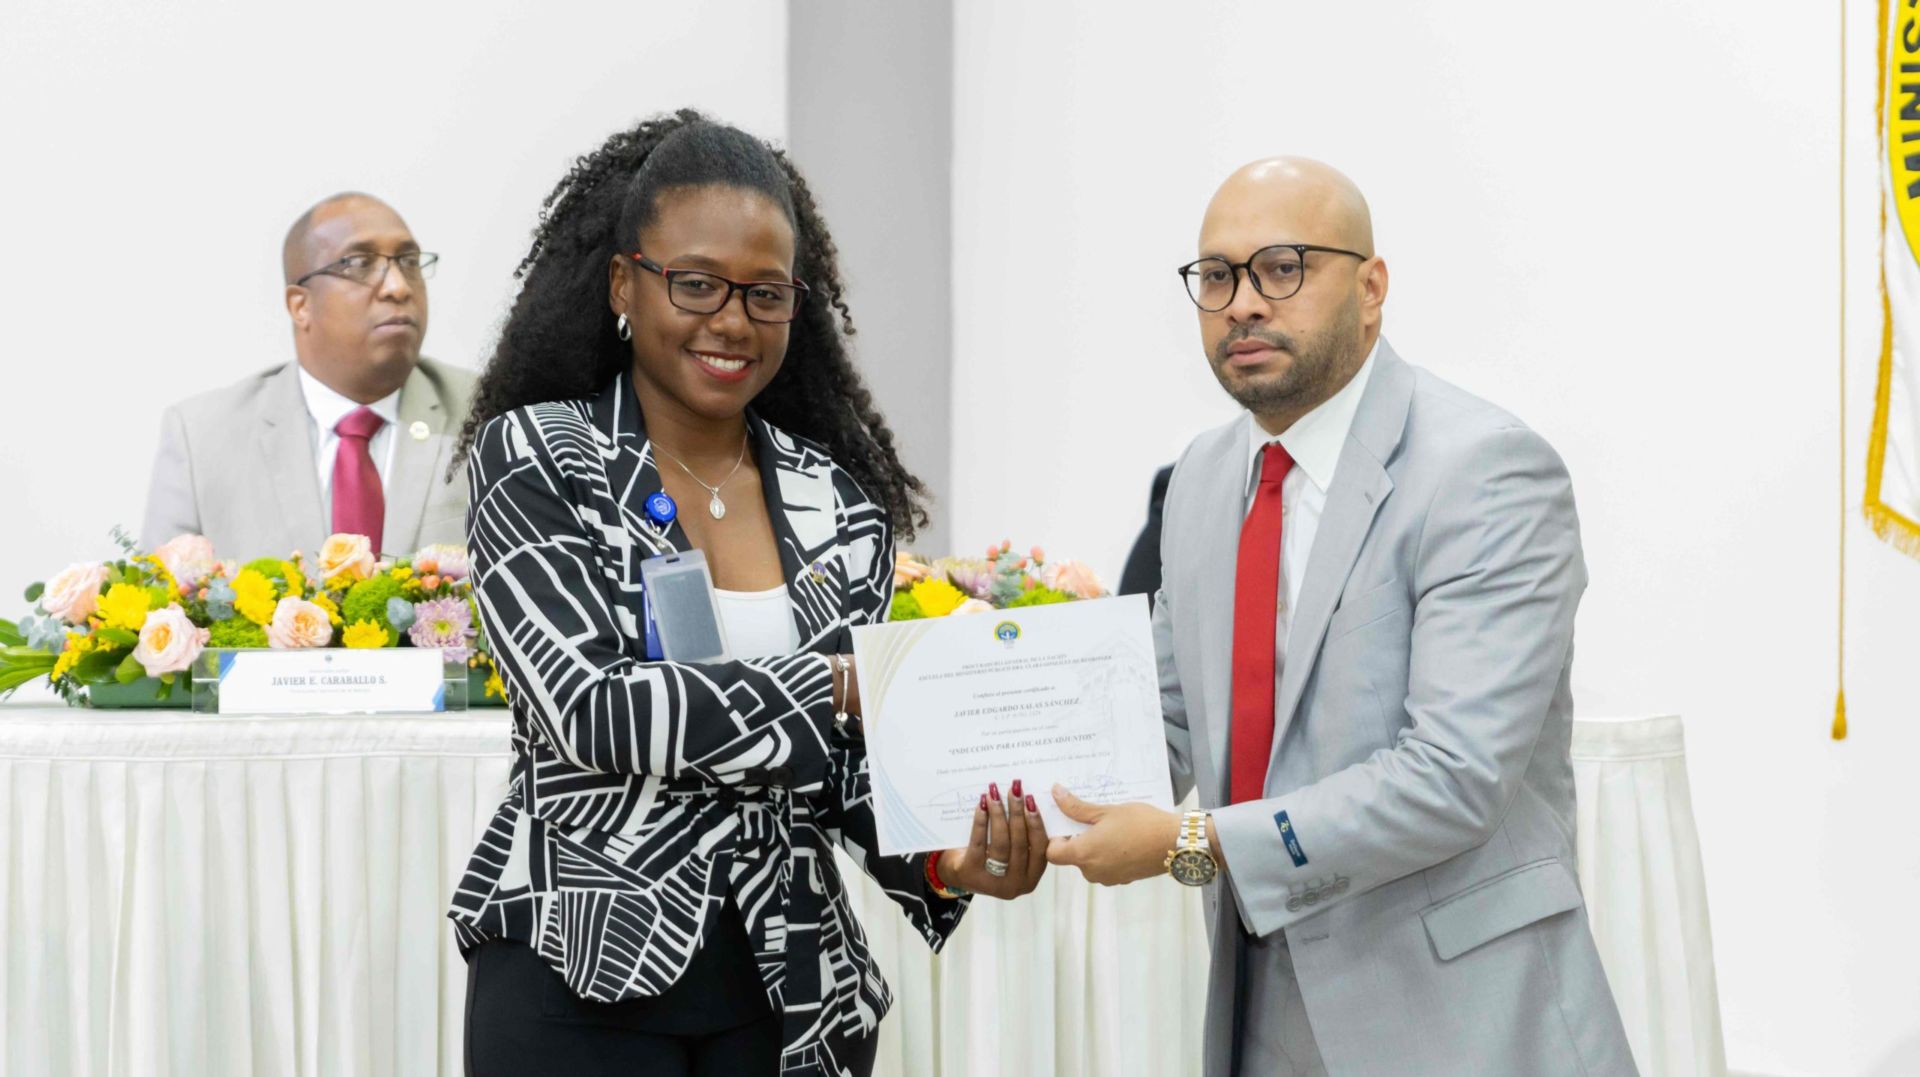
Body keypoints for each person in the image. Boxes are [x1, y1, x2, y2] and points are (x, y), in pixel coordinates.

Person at [447, 111, 1047, 1077]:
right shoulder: (538, 456)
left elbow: (844, 765)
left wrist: (949, 858)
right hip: (578, 966)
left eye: (765, 293)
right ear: (624, 284)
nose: (731, 320)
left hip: (790, 989)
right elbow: (592, 708)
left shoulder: (838, 502)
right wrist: (837, 683)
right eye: (696, 283)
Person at [1047, 158, 1636, 1076]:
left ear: (1371, 288)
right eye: (1217, 276)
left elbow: (1453, 776)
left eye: (1282, 267)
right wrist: (997, 813)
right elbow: (1161, 718)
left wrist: (1195, 841)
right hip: (1259, 1011)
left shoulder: (1485, 469)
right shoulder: (1202, 477)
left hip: (1462, 1020)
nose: (1243, 303)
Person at [140, 193, 474, 557]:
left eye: (409, 262)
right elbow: (160, 589)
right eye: (360, 263)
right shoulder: (202, 437)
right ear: (300, 306)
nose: (399, 287)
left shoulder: (487, 413)